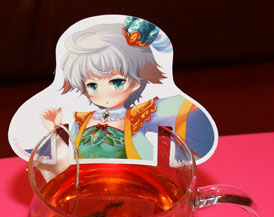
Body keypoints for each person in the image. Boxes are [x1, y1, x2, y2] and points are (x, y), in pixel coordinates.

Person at [39, 16, 216, 161]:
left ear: (137, 83)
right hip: (85, 183)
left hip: (136, 183)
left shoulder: (140, 115)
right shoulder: (82, 120)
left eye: (117, 82)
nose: (105, 93)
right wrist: (55, 129)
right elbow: (66, 158)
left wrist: (155, 39)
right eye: (92, 85)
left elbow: (185, 110)